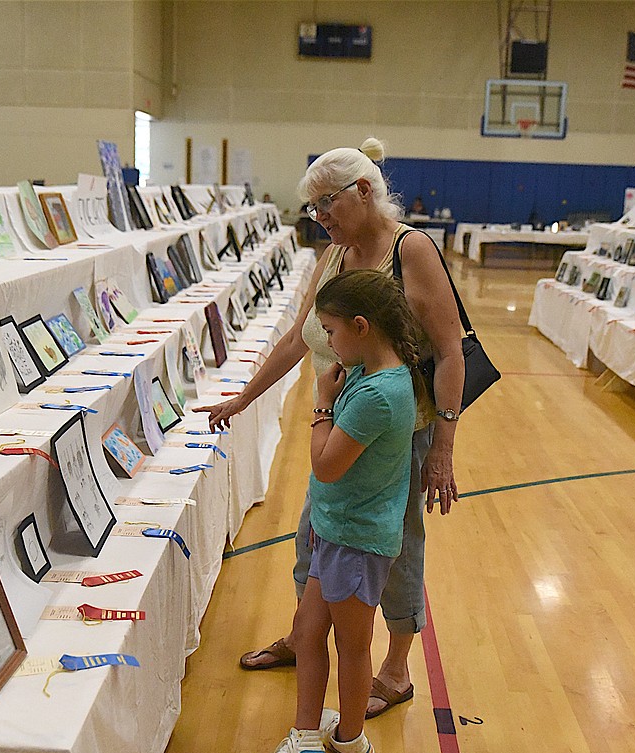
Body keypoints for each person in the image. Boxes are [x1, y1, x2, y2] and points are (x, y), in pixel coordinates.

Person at [194, 137, 464, 720]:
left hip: (397, 431)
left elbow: (450, 351)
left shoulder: (411, 250)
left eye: (326, 206)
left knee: (395, 547)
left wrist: (443, 447)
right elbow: (299, 338)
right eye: (312, 210)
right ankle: (306, 636)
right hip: (339, 425)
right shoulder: (334, 254)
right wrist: (242, 398)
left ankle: (394, 670)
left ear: (363, 192)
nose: (319, 219)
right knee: (314, 536)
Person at [243, 269, 421, 753]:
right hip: (339, 529)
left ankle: (349, 738)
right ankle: (306, 739)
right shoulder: (373, 373)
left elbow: (326, 464)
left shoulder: (375, 395)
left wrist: (322, 402)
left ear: (362, 327)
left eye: (331, 330)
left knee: (352, 645)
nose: (328, 343)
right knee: (307, 629)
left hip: (356, 540)